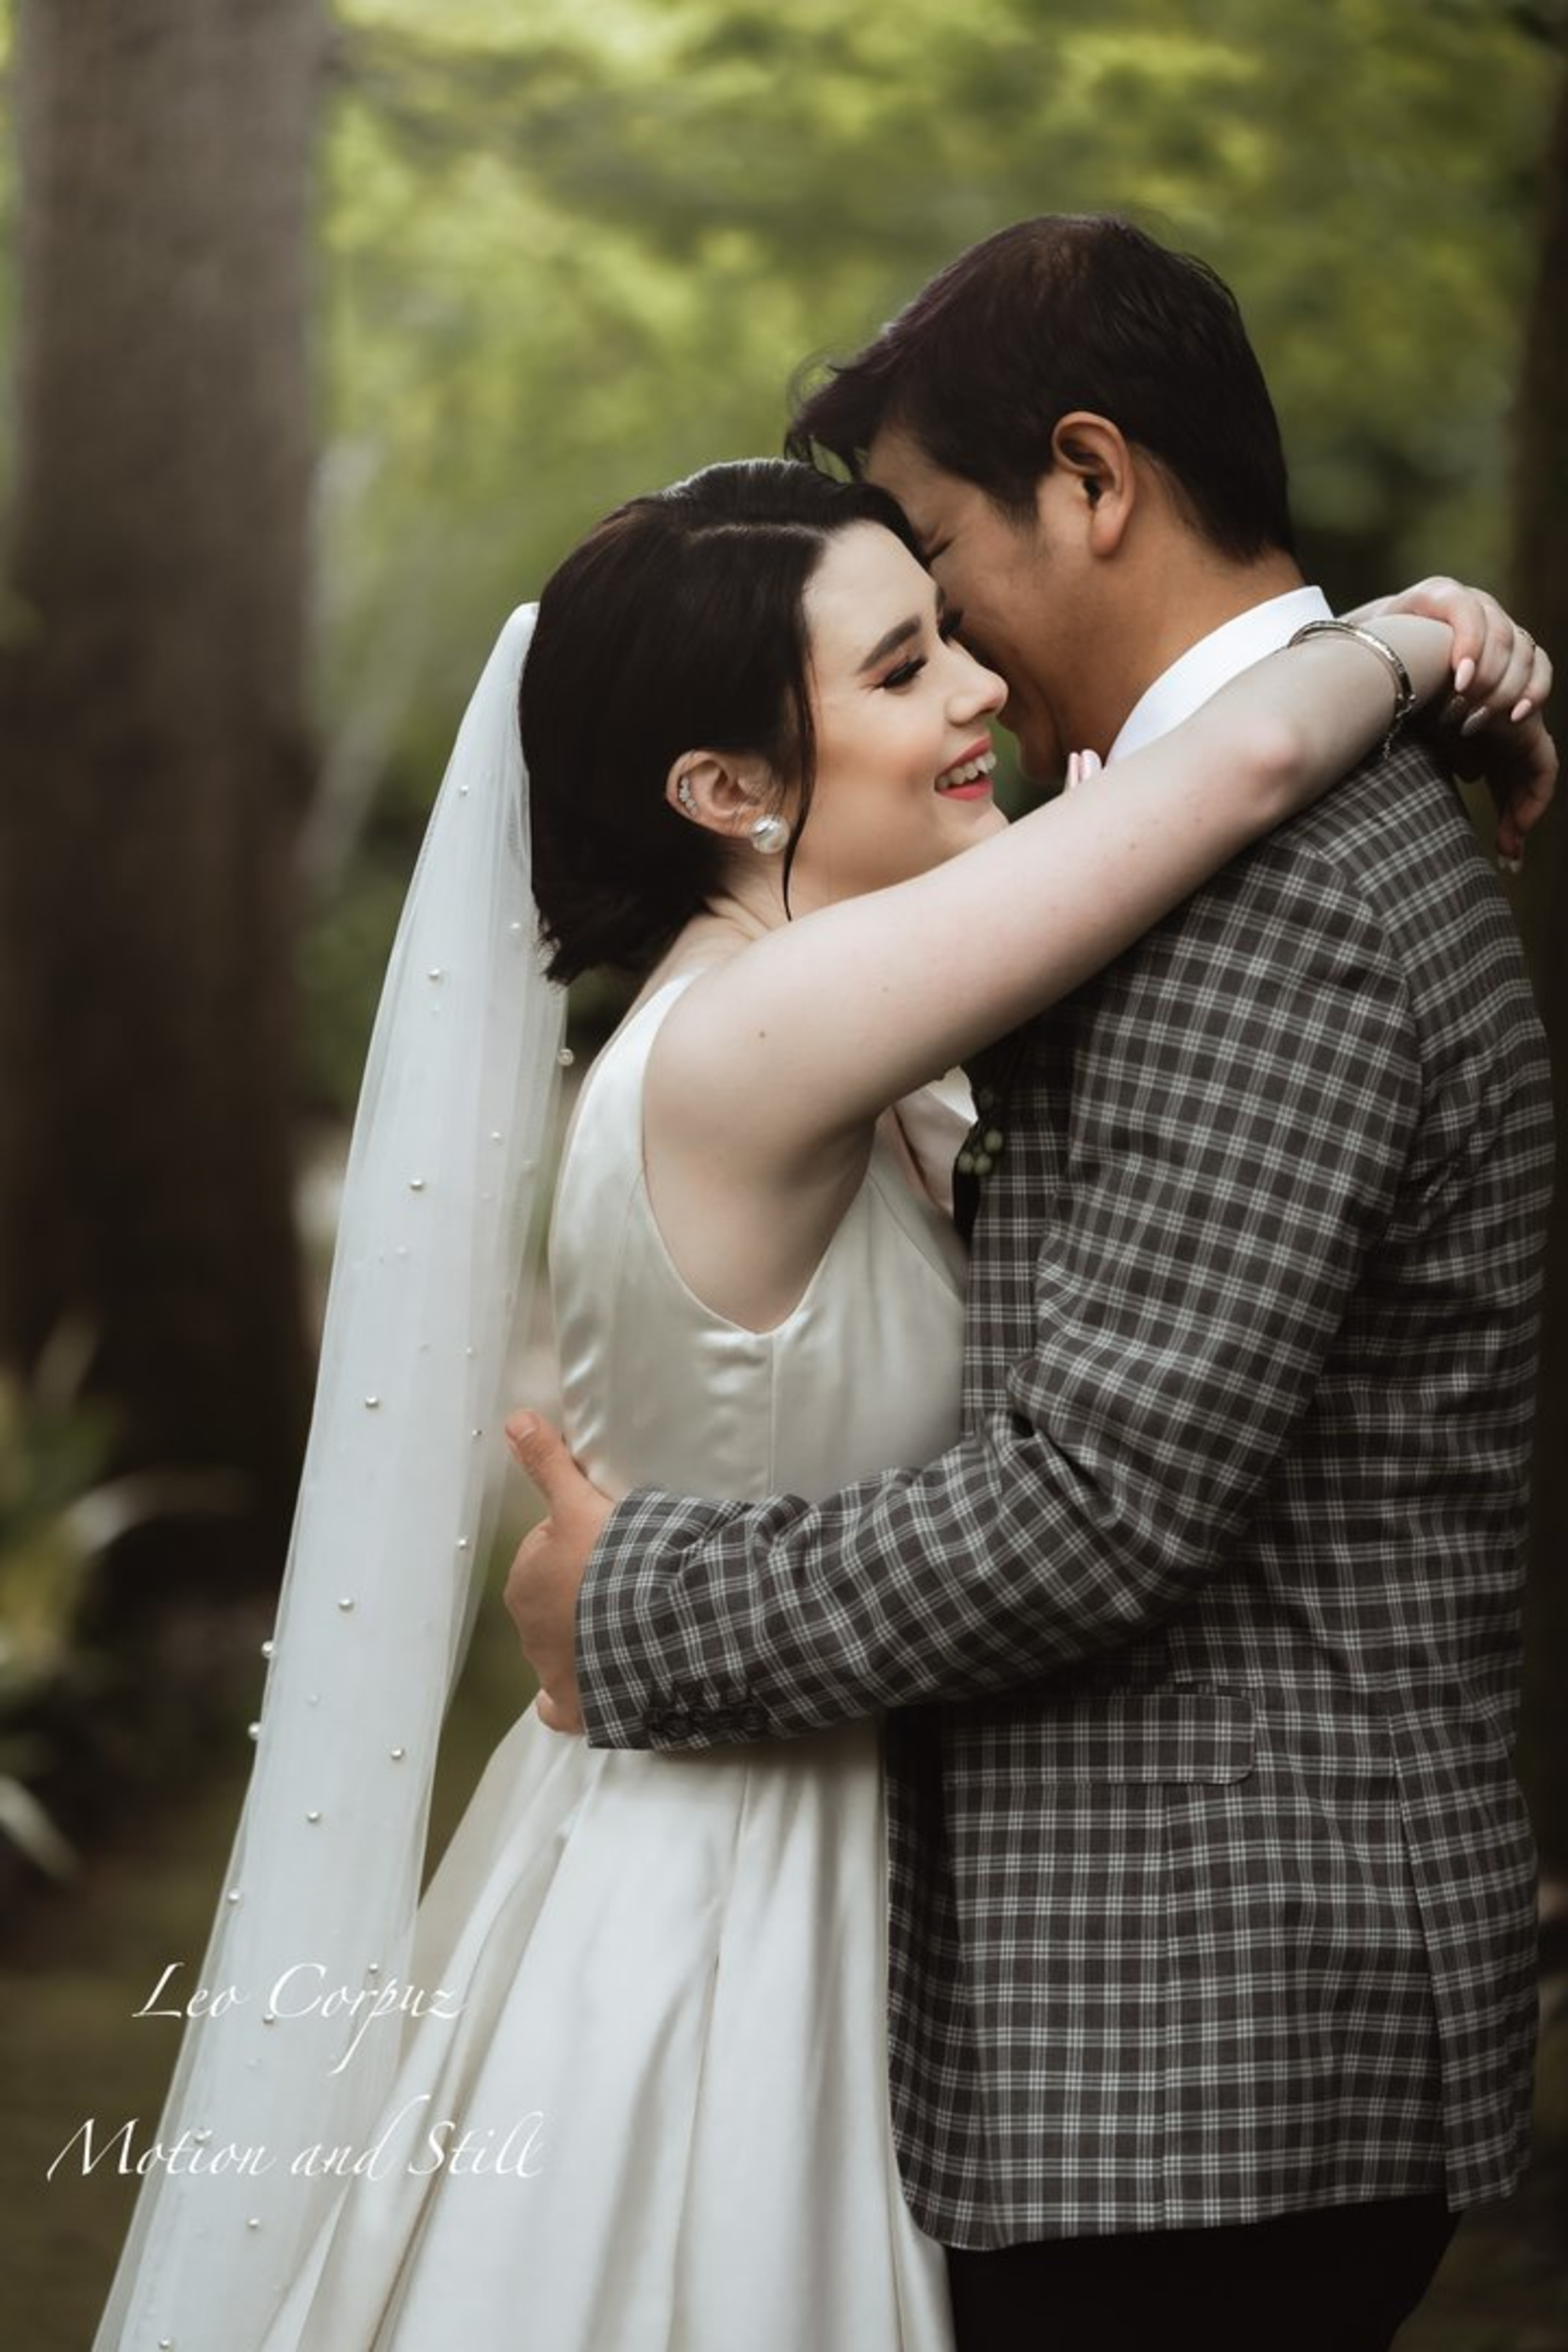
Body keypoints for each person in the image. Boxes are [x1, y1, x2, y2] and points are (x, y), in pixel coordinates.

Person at [94, 468, 1544, 2347]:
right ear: (729, 791)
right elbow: (1238, 774)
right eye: (897, 670)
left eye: (946, 634)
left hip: (855, 1823)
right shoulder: (753, 1039)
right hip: (740, 1889)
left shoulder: (829, 1018)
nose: (976, 695)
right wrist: (1421, 636)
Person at [505, 218, 1559, 2352]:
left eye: (939, 554)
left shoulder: (1279, 897)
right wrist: (1412, 642)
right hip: (1136, 2035)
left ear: (1093, 482)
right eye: (895, 646)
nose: (965, 656)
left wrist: (638, 1601)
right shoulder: (1197, 846)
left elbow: (1095, 1502)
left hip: (1209, 2034)